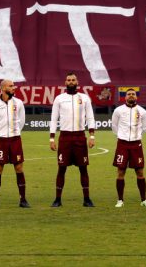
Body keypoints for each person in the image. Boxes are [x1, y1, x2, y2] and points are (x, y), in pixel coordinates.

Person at [49, 73, 96, 207]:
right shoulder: (59, 98)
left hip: (80, 137)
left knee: (83, 168)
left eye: (73, 80)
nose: (71, 82)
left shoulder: (84, 98)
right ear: (65, 82)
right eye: (68, 80)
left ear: (77, 82)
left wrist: (92, 136)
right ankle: (57, 199)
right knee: (61, 168)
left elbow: (90, 118)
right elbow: (54, 119)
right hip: (65, 137)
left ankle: (87, 199)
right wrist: (51, 138)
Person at [0, 79, 30, 208]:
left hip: (15, 139)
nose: (14, 88)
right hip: (1, 140)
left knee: (19, 168)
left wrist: (14, 133)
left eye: (13, 86)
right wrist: (1, 133)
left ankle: (23, 200)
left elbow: (21, 121)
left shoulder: (19, 103)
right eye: (11, 86)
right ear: (3, 88)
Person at [111, 88, 146, 208]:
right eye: (129, 94)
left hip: (136, 145)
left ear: (136, 97)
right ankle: (120, 200)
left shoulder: (142, 111)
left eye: (133, 94)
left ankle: (144, 200)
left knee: (140, 171)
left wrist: (136, 137)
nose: (131, 96)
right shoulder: (118, 110)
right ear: (125, 97)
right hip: (122, 144)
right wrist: (122, 136)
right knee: (120, 171)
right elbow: (114, 126)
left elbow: (145, 127)